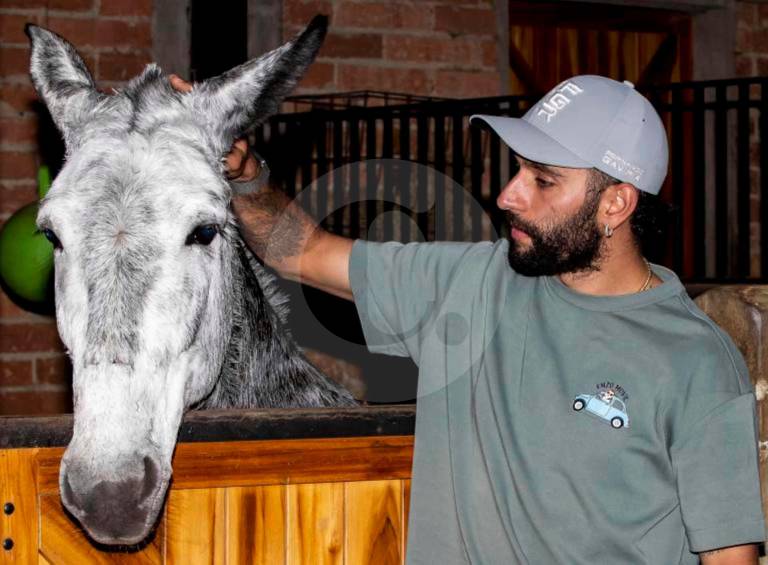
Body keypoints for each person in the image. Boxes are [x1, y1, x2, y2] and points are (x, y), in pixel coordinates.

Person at [171, 74, 765, 564]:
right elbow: (300, 250)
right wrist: (246, 175)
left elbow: (729, 558)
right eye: (517, 169)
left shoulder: (694, 360)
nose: (509, 195)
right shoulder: (469, 283)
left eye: (543, 179)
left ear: (616, 203)